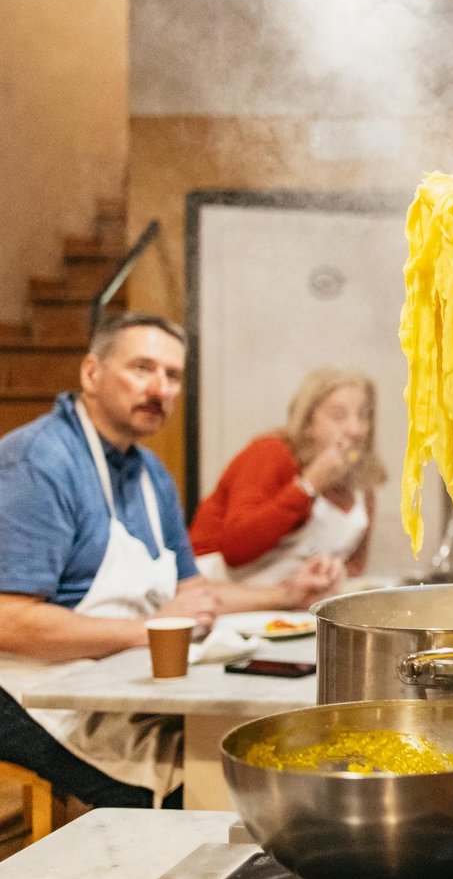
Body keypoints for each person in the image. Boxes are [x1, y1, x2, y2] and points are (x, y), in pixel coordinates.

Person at [0, 312, 340, 810]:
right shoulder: (41, 462)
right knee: (211, 788)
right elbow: (9, 621)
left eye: (173, 375)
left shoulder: (148, 472)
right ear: (91, 374)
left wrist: (287, 594)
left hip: (117, 683)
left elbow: (190, 592)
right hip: (32, 692)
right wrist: (146, 631)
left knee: (265, 756)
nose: (160, 388)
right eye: (142, 368)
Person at [190, 368, 385, 586]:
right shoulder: (270, 452)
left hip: (289, 608)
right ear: (309, 423)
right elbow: (236, 549)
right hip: (215, 595)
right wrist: (309, 485)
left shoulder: (362, 487)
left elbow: (354, 565)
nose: (355, 430)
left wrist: (333, 572)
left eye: (363, 415)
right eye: (338, 416)